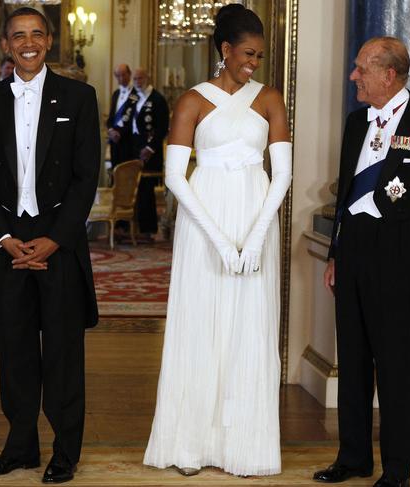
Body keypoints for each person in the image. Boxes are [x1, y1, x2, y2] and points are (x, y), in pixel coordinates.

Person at [143, 4, 292, 477]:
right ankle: (191, 442)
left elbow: (282, 174)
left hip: (255, 217)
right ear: (225, 50)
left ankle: (243, 446)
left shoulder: (269, 98)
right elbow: (174, 177)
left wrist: (255, 237)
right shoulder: (192, 100)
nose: (254, 63)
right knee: (200, 322)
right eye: (247, 54)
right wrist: (223, 244)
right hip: (203, 222)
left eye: (261, 55)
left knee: (249, 326)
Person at [0, 7, 100, 484]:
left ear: (49, 41)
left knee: (64, 351)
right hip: (6, 241)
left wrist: (56, 239)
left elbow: (88, 176)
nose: (28, 43)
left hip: (58, 243)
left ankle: (65, 452)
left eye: (37, 35)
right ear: (6, 44)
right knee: (15, 350)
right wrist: (3, 238)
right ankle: (21, 446)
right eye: (18, 36)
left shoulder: (79, 97)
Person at [314, 37, 410, 487]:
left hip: (402, 260)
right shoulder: (357, 123)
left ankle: (396, 471)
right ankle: (354, 457)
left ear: (388, 75)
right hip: (354, 253)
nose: (354, 76)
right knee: (352, 360)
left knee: (395, 367)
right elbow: (347, 200)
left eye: (361, 69)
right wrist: (336, 253)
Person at [131, 67, 169, 238]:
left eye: (140, 78)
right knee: (134, 190)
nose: (137, 82)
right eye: (135, 79)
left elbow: (162, 128)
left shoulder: (158, 99)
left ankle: (148, 229)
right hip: (134, 148)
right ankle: (135, 228)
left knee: (147, 190)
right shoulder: (133, 97)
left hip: (150, 151)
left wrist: (150, 148)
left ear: (147, 78)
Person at [106, 63, 137, 167]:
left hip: (129, 141)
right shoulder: (116, 94)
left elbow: (135, 119)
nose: (121, 78)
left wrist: (120, 133)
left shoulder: (136, 94)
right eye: (118, 76)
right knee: (115, 172)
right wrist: (110, 131)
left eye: (124, 75)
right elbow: (111, 117)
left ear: (129, 74)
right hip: (115, 142)